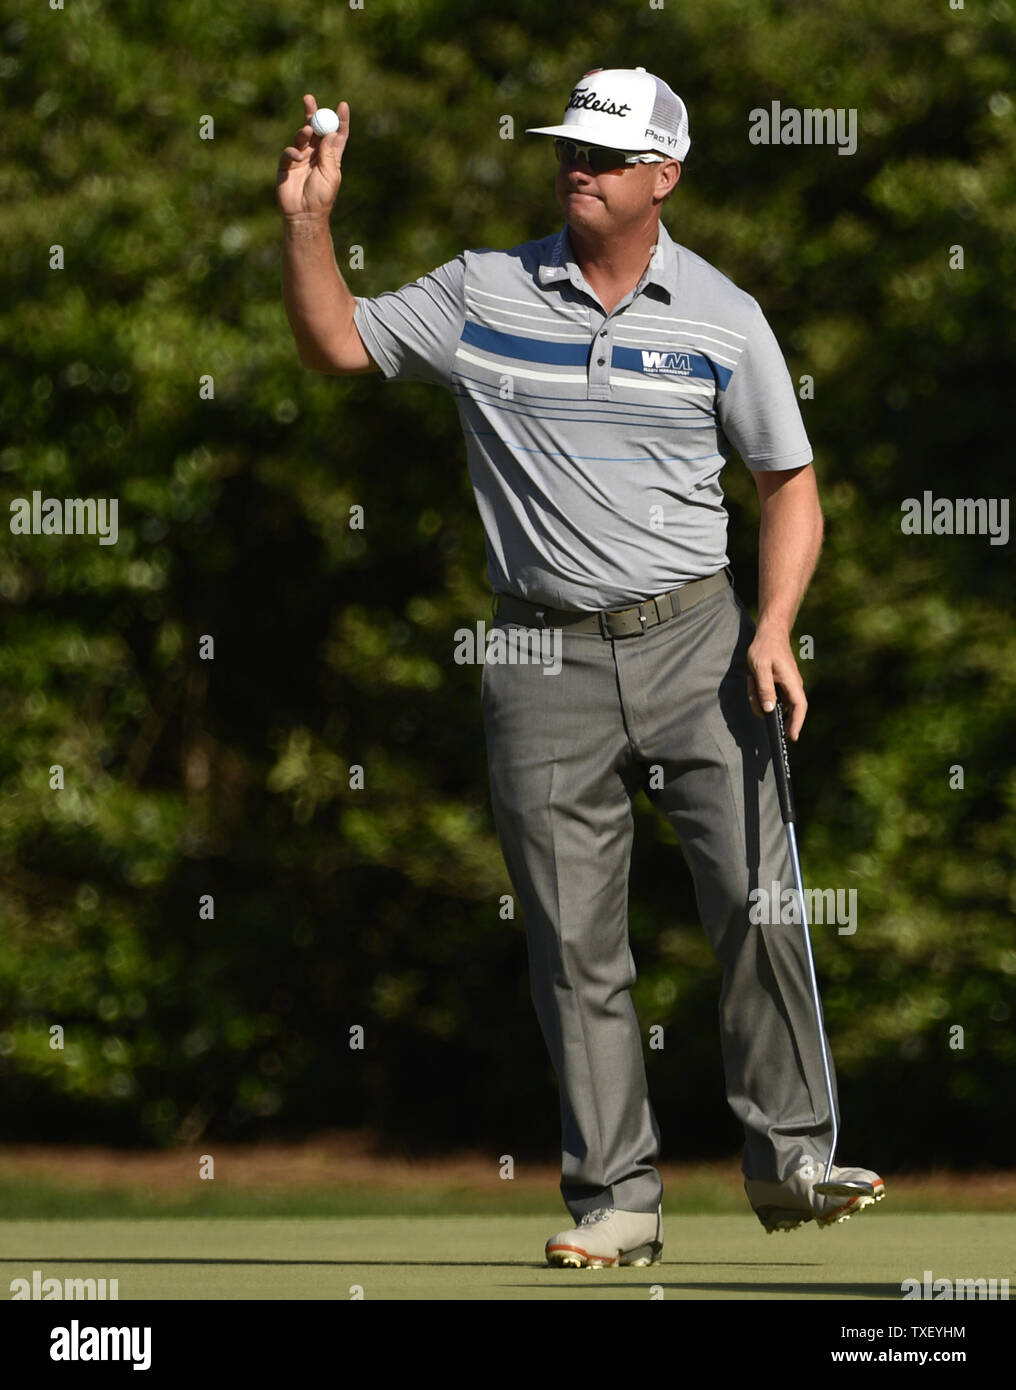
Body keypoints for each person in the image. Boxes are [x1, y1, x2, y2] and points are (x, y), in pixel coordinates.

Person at [277, 66, 884, 1269]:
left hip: (701, 640)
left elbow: (788, 488)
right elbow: (339, 345)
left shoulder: (722, 314)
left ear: (663, 176)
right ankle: (615, 1200)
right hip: (536, 652)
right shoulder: (480, 289)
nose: (578, 169)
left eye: (605, 156)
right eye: (569, 149)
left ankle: (791, 1159)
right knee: (570, 941)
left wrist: (774, 624)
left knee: (757, 907)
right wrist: (306, 220)